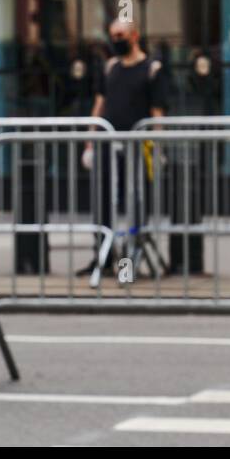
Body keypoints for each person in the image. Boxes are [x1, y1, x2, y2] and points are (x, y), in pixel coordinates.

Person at [82, 19, 170, 275]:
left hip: (138, 147)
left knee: (136, 201)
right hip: (109, 145)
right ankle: (104, 255)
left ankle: (132, 256)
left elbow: (157, 112)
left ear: (134, 35)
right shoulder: (111, 68)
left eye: (120, 35)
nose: (116, 40)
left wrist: (158, 146)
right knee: (103, 199)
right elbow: (99, 105)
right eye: (113, 35)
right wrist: (90, 139)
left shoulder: (152, 69)